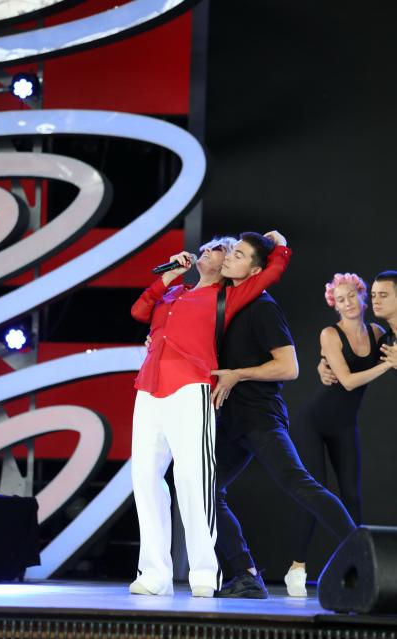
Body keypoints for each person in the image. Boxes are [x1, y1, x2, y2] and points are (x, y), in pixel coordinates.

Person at [129, 230, 291, 598]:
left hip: (191, 387)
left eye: (221, 250)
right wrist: (168, 277)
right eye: (208, 247)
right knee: (145, 478)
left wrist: (280, 247)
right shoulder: (175, 292)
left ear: (228, 263)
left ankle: (204, 572)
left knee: (193, 480)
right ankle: (154, 573)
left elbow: (270, 273)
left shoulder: (227, 296)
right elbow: (139, 311)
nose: (208, 252)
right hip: (149, 387)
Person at [210, 270, 358, 600]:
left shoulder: (263, 306)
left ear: (254, 270)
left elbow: (289, 367)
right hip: (232, 420)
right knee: (206, 490)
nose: (229, 257)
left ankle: (364, 553)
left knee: (298, 483)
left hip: (260, 417)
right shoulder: (225, 305)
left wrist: (238, 374)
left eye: (238, 254)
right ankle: (247, 575)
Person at [285, 272, 393, 598]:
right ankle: (296, 567)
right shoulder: (330, 334)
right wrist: (387, 366)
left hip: (345, 425)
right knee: (315, 491)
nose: (347, 304)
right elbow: (346, 381)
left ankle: (358, 568)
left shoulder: (377, 333)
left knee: (352, 496)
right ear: (335, 305)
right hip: (314, 421)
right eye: (340, 300)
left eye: (351, 296)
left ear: (362, 297)